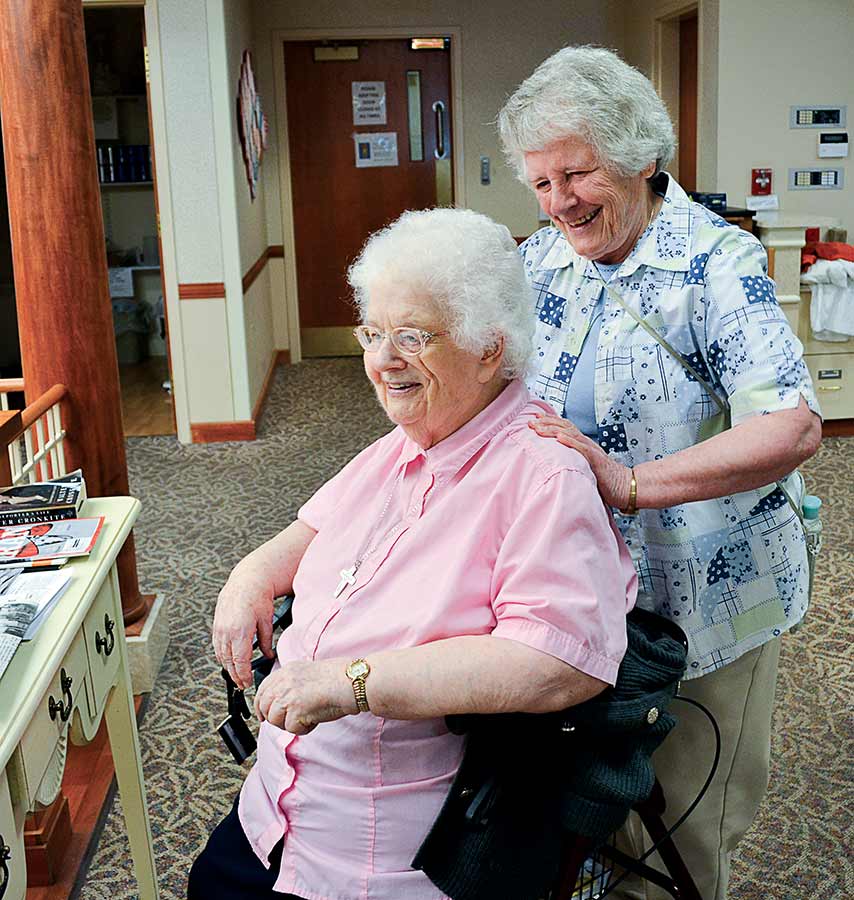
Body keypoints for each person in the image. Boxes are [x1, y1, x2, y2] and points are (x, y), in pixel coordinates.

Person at [189, 207, 637, 900]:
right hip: (276, 811)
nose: (382, 359)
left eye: (411, 336)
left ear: (489, 348)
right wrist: (249, 577)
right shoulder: (409, 439)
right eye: (373, 333)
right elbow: (310, 532)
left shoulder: (543, 475)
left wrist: (352, 682)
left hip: (382, 857)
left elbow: (559, 664)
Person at [497, 45, 823, 900]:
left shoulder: (714, 262)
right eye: (541, 182)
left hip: (709, 596)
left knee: (687, 818)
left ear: (640, 155)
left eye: (577, 174)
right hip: (583, 587)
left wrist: (630, 483)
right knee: (596, 804)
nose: (559, 201)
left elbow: (790, 425)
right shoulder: (541, 260)